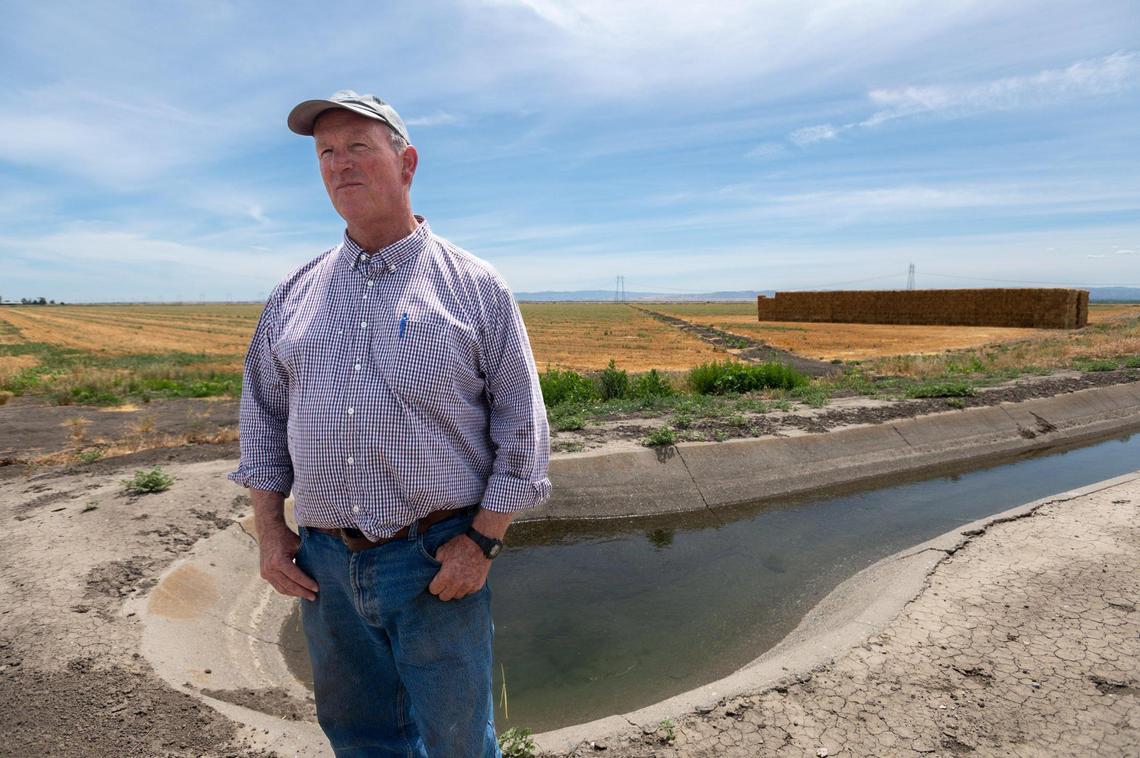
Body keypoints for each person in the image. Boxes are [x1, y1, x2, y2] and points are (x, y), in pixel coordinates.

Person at [229, 90, 551, 757]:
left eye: (357, 148)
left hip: (435, 560)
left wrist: (482, 543)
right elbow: (261, 421)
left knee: (459, 741)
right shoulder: (292, 293)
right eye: (325, 153)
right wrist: (269, 533)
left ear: (406, 163)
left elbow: (523, 430)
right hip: (323, 568)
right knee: (360, 738)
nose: (339, 164)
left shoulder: (474, 286)